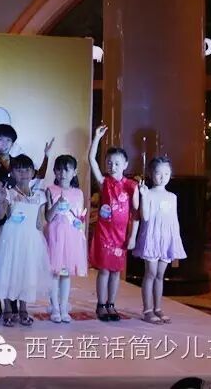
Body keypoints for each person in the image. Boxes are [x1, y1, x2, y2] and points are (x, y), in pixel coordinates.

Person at [0, 154, 51, 327]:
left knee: (27, 273)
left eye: (27, 170)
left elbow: (39, 223)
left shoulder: (39, 196)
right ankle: (8, 309)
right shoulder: (9, 194)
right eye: (18, 170)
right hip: (11, 240)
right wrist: (1, 200)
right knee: (9, 272)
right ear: (12, 173)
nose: (23, 173)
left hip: (31, 241)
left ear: (33, 172)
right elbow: (0, 215)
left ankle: (23, 308)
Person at [89, 124, 140, 322]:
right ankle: (101, 304)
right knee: (104, 270)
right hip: (104, 233)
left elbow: (136, 213)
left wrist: (132, 237)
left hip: (121, 235)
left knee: (116, 271)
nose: (113, 166)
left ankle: (111, 304)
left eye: (117, 163)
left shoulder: (131, 186)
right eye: (109, 162)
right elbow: (91, 159)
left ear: (125, 164)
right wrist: (97, 138)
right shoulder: (104, 182)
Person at [132, 156, 186, 324]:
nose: (163, 177)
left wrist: (175, 244)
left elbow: (174, 221)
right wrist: (143, 196)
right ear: (151, 174)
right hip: (152, 238)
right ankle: (147, 310)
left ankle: (158, 308)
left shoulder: (172, 196)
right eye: (158, 173)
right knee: (150, 273)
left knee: (160, 275)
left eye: (166, 173)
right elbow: (145, 217)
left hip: (167, 239)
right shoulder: (148, 193)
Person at [45, 154, 87, 323]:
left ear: (74, 172)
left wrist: (81, 229)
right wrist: (57, 204)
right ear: (55, 171)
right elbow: (48, 217)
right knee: (54, 273)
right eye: (59, 170)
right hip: (55, 235)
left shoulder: (78, 193)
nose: (63, 173)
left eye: (67, 170)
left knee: (66, 274)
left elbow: (80, 216)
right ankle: (55, 307)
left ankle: (64, 307)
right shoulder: (50, 190)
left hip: (71, 237)